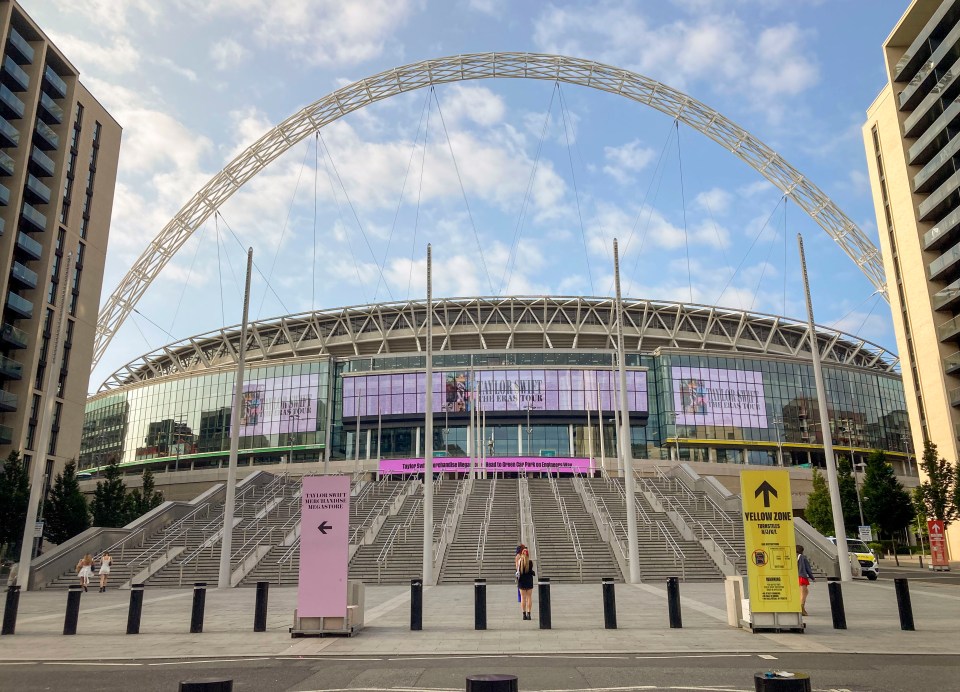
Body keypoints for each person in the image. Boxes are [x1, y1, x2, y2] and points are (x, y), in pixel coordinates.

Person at [515, 545, 535, 620]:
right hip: (529, 580)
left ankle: (524, 614)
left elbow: (517, 570)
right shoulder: (530, 562)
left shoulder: (520, 562)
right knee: (529, 597)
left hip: (522, 581)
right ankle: (529, 614)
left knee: (523, 598)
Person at [797, 544, 815, 616]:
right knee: (804, 593)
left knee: (803, 592)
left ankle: (801, 607)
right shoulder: (803, 557)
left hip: (796, 577)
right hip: (802, 576)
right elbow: (808, 569)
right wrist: (812, 577)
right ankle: (801, 608)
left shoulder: (793, 556)